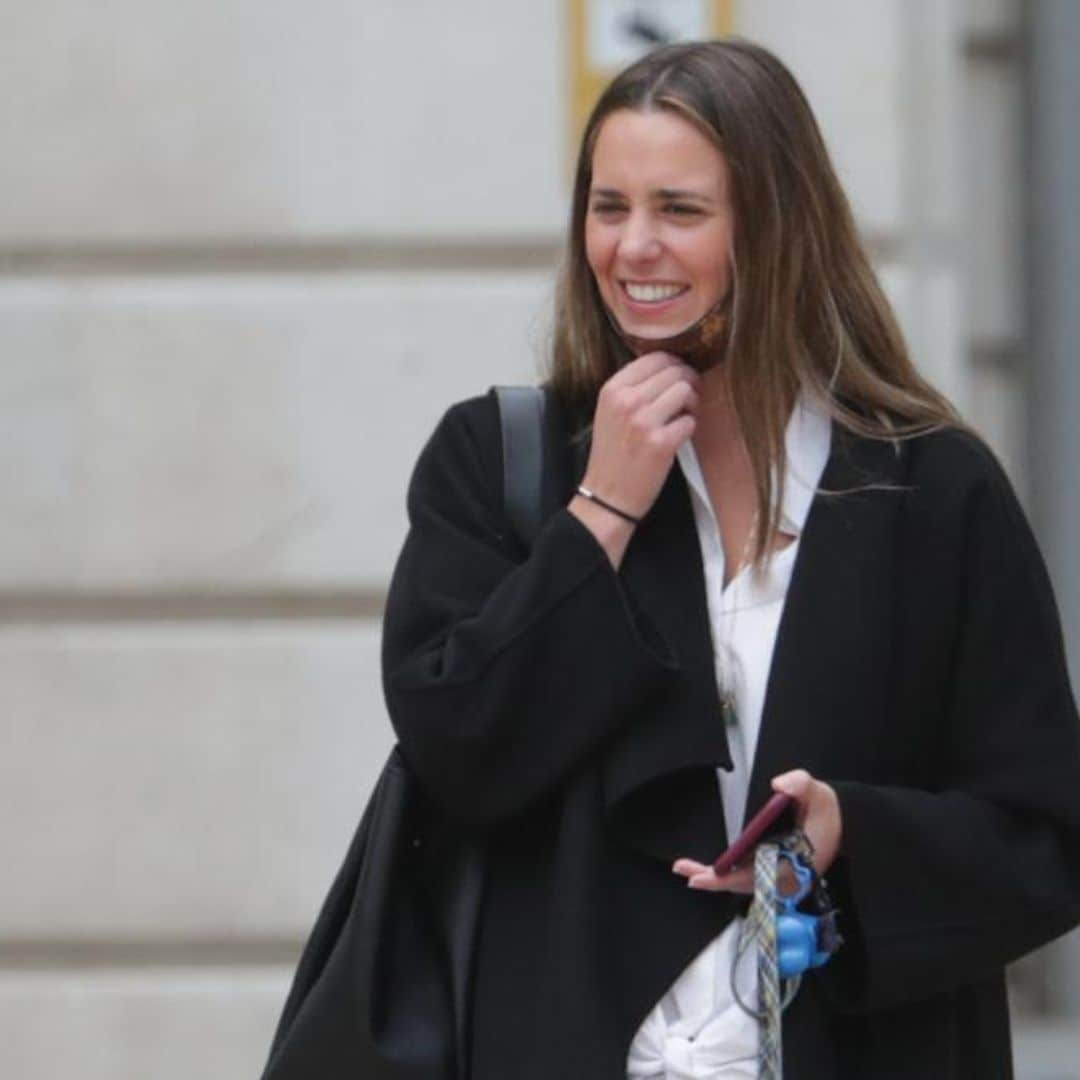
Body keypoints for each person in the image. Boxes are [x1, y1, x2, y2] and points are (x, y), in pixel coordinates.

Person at [381, 38, 1080, 1079]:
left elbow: (1041, 837)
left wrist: (855, 835)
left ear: (776, 226)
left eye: (681, 210)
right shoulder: (498, 463)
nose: (634, 247)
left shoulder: (930, 490)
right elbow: (458, 746)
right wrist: (603, 511)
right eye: (609, 207)